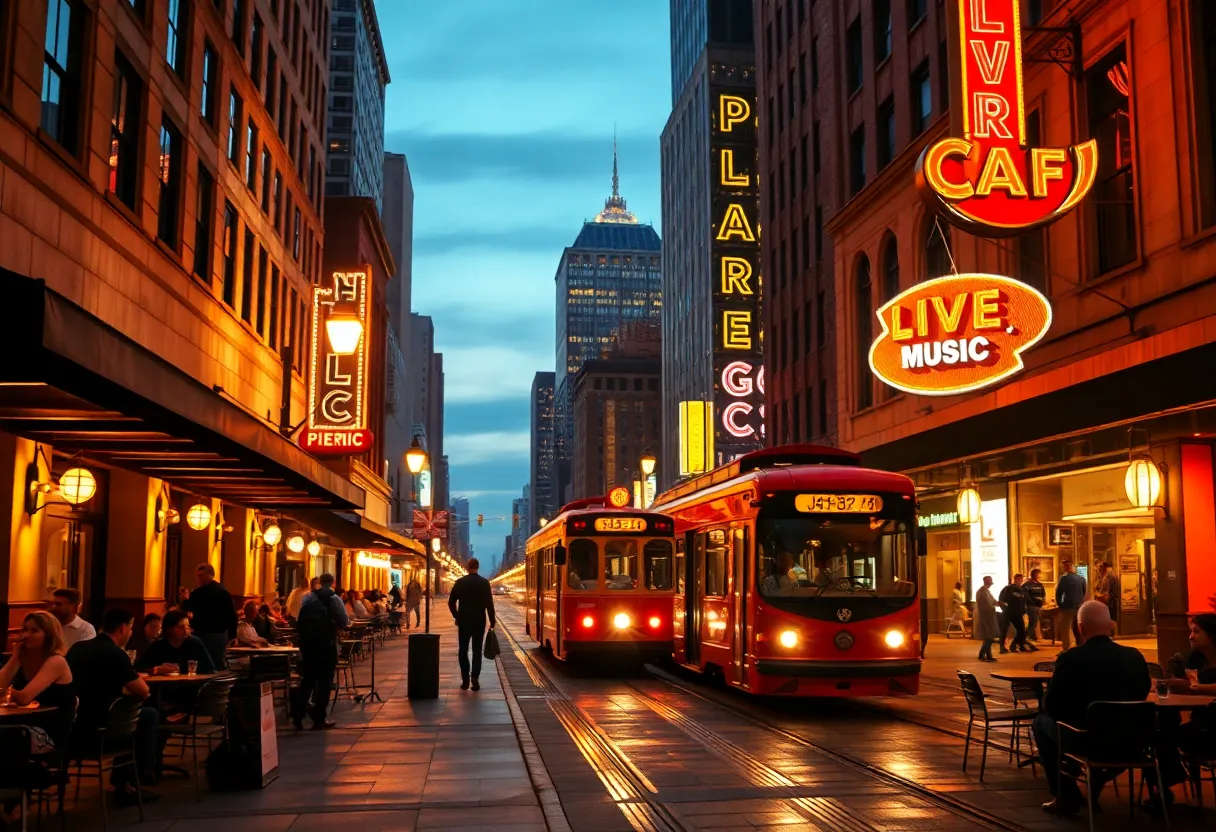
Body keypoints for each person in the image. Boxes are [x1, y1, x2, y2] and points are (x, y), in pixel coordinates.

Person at [1033, 601, 1149, 815]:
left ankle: (1064, 794)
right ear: (1111, 626)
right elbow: (1143, 693)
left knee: (1041, 723)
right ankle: (1093, 784)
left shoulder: (1070, 659)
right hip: (1132, 740)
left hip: (1085, 740)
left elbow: (1053, 705)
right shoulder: (1135, 657)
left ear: (1080, 628)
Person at [65, 608, 158, 806]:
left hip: (72, 728)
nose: (131, 633)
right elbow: (143, 692)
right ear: (123, 628)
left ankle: (123, 781)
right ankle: (128, 782)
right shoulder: (115, 653)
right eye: (131, 628)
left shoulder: (76, 649)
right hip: (102, 731)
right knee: (147, 715)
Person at [0, 612, 75, 825]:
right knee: (9, 736)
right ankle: (17, 796)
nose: (27, 635)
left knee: (11, 739)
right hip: (25, 725)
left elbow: (25, 697)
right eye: (25, 629)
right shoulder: (23, 658)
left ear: (48, 635)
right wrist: (15, 657)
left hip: (51, 732)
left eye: (34, 630)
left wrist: (6, 692)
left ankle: (18, 798)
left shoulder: (56, 661)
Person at [291, 573, 348, 730]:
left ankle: (298, 715)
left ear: (320, 582)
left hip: (308, 646)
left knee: (308, 679)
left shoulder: (308, 597)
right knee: (325, 681)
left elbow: (300, 619)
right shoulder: (334, 598)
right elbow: (343, 621)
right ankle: (319, 718)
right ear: (332, 583)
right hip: (326, 646)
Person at [448, 558, 496, 691]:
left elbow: (451, 602)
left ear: (467, 567)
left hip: (464, 621)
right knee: (477, 650)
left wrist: (456, 616)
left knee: (463, 650)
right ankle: (475, 677)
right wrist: (492, 621)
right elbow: (489, 604)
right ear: (478, 567)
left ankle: (465, 680)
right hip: (479, 621)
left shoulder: (460, 582)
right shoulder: (484, 583)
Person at [184, 563, 237, 670]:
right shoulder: (198, 593)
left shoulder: (220, 592)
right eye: (197, 576)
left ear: (211, 575)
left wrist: (232, 635)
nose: (199, 579)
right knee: (209, 663)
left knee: (211, 663)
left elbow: (231, 615)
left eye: (202, 575)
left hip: (215, 634)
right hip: (205, 634)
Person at [135, 610, 216, 676]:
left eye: (187, 626)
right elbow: (138, 669)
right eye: (180, 627)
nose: (185, 631)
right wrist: (157, 669)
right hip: (163, 687)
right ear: (169, 629)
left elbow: (210, 669)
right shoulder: (157, 645)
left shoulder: (194, 643)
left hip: (192, 686)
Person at [999, 574, 1036, 653]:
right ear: (1014, 579)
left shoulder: (1023, 590)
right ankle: (1002, 647)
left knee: (1022, 631)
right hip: (1008, 613)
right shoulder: (1008, 588)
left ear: (1022, 580)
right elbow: (1001, 600)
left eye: (1020, 579)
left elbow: (1029, 601)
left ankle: (1014, 645)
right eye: (1017, 579)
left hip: (1018, 613)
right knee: (1004, 630)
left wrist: (1036, 606)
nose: (1019, 580)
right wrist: (1004, 609)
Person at [1055, 559, 1086, 650]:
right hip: (1079, 606)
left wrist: (1060, 604)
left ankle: (1067, 648)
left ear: (1066, 568)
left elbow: (1059, 593)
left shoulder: (1064, 579)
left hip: (1067, 606)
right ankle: (1080, 646)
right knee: (1077, 627)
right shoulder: (1082, 579)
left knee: (1066, 628)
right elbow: (1084, 592)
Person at [974, 575, 1001, 662]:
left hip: (989, 617)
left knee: (988, 637)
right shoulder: (982, 592)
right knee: (989, 637)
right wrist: (994, 606)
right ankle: (987, 656)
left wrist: (998, 603)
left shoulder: (986, 591)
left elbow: (993, 601)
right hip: (986, 617)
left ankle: (983, 655)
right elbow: (986, 605)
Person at [1094, 561, 1119, 635]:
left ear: (1105, 568)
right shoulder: (1106, 577)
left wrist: (1106, 598)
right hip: (1108, 602)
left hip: (1110, 602)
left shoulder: (1111, 577)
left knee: (1111, 618)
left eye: (1101, 567)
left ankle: (1114, 634)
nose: (1100, 569)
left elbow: (1113, 592)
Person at [1024, 568, 1047, 641]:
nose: (1038, 575)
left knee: (1036, 621)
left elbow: (1043, 594)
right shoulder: (1027, 585)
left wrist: (1043, 601)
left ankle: (1032, 635)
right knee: (1033, 621)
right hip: (1031, 606)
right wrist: (1033, 604)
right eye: (1037, 574)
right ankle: (1028, 636)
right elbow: (1026, 596)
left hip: (1038, 606)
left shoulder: (1040, 584)